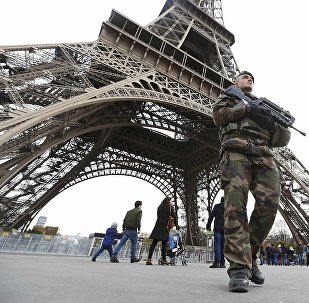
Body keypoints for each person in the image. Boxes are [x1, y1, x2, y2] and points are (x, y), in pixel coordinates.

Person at [212, 71, 291, 292]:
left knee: (270, 207)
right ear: (236, 82)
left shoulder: (265, 107)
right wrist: (246, 109)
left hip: (264, 155)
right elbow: (218, 117)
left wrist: (275, 125)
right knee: (235, 208)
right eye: (245, 77)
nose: (250, 79)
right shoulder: (229, 97)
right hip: (236, 150)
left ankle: (250, 256)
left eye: (252, 78)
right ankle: (238, 268)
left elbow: (282, 140)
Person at [146, 196, 176, 265]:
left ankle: (149, 259)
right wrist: (176, 225)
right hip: (165, 228)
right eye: (171, 201)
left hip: (158, 227)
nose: (172, 202)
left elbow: (158, 216)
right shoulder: (170, 208)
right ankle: (164, 259)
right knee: (164, 245)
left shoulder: (160, 207)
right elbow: (173, 216)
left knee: (153, 243)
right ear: (168, 201)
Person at [206, 197, 225, 268]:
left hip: (217, 228)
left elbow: (211, 216)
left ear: (220, 200)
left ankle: (217, 262)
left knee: (217, 245)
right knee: (223, 246)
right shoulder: (228, 207)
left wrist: (208, 225)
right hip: (225, 229)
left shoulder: (217, 206)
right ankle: (222, 263)